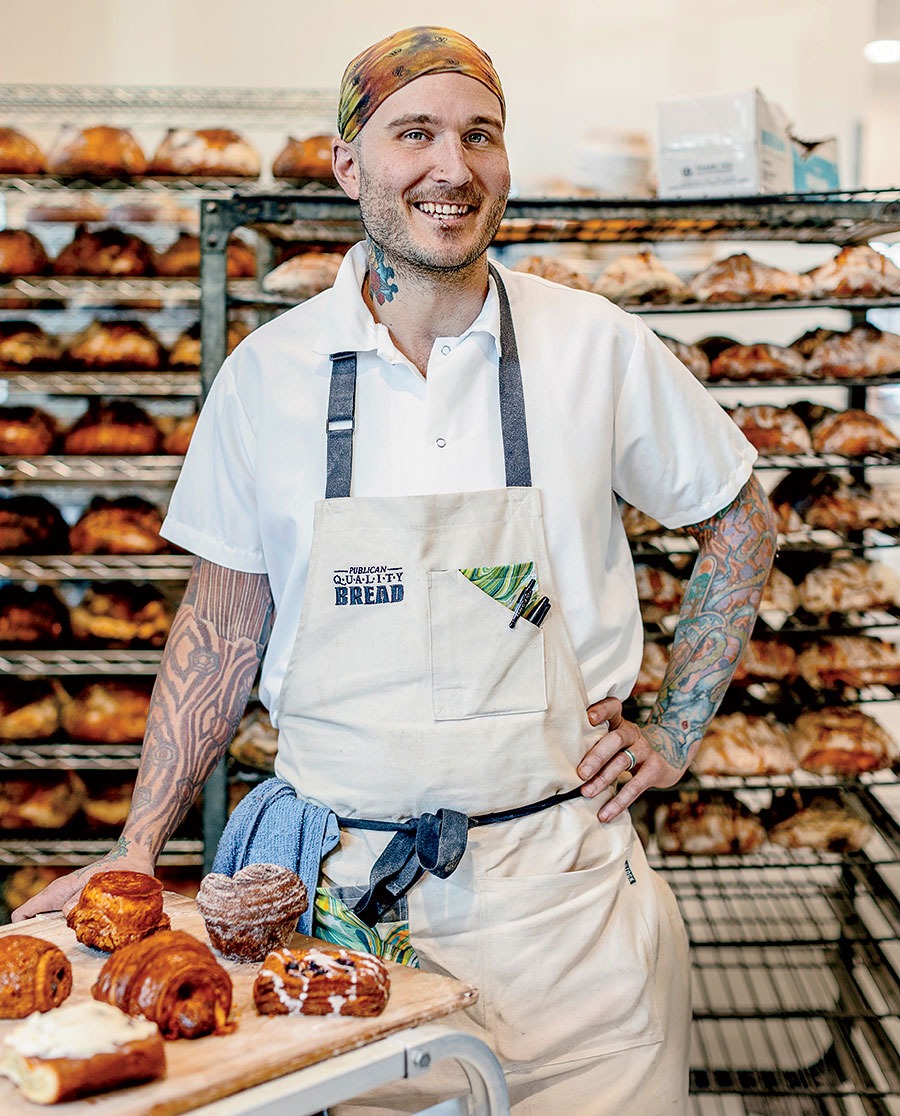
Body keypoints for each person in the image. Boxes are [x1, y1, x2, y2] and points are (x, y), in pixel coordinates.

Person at [14, 25, 776, 1115]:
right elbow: (225, 624)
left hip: (564, 915)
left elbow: (742, 524)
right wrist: (136, 847)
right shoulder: (267, 375)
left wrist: (675, 730)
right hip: (338, 937)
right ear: (349, 164)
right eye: (413, 132)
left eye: (482, 135)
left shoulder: (592, 345)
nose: (451, 167)